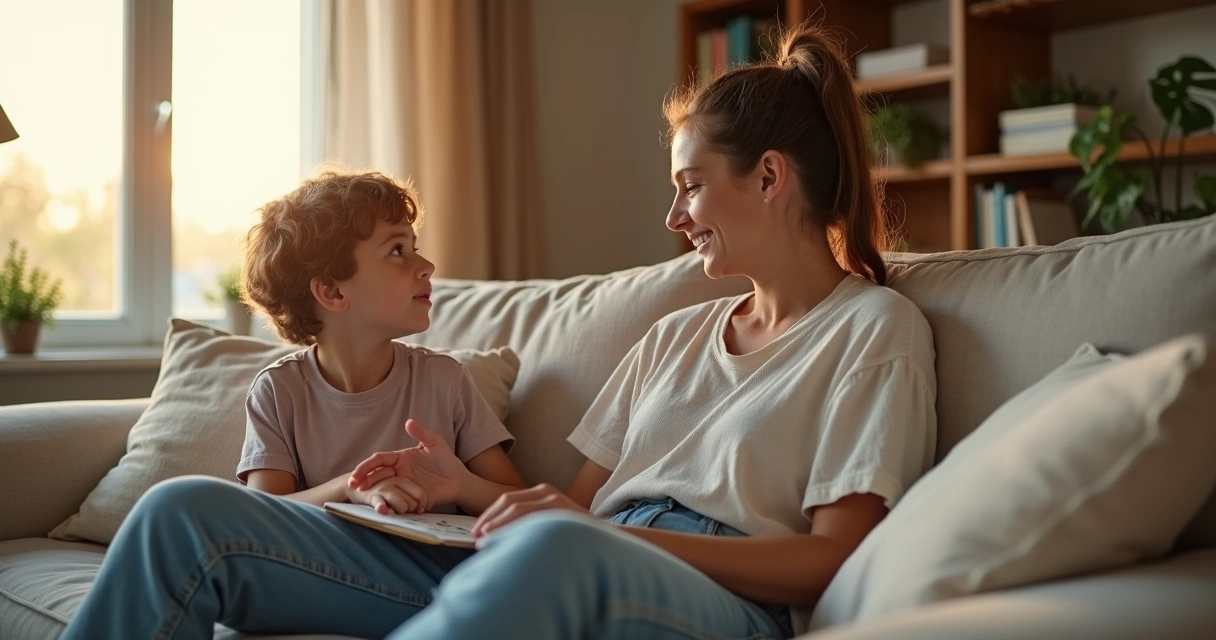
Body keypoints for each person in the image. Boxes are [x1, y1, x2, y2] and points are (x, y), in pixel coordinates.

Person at [62, 23, 936, 640]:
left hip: (712, 595)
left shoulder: (871, 330)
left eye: (690, 186)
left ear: (770, 178)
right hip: (566, 557)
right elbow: (573, 509)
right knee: (183, 513)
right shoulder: (675, 338)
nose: (674, 218)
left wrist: (598, 537)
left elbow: (831, 560)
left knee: (553, 547)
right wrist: (465, 489)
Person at [233, 170, 525, 517]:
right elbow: (263, 515)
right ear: (333, 291)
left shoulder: (445, 381)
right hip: (326, 553)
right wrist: (349, 488)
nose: (428, 266)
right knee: (184, 496)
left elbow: (522, 504)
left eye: (414, 247)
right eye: (397, 250)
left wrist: (461, 484)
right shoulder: (279, 391)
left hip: (427, 552)